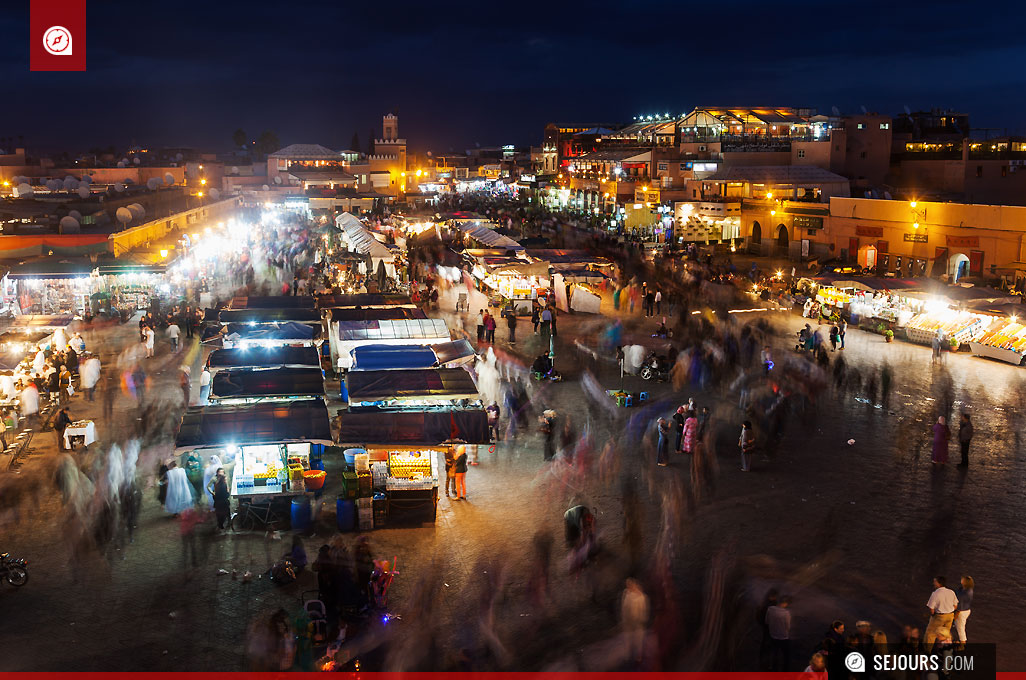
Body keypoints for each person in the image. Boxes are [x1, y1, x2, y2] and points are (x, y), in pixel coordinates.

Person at [620, 577, 650, 665]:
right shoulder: (626, 593)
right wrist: (624, 619)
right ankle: (629, 655)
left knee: (638, 639)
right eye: (627, 585)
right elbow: (624, 608)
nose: (628, 586)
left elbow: (644, 609)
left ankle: (638, 656)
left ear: (634, 585)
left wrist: (643, 619)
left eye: (630, 584)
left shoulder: (641, 596)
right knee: (628, 638)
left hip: (638, 621)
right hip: (628, 621)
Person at [925, 575, 959, 646]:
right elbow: (955, 606)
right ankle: (946, 648)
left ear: (938, 583)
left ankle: (927, 651)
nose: (933, 583)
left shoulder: (935, 593)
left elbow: (931, 608)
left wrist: (933, 615)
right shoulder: (951, 592)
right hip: (950, 616)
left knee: (931, 634)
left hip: (939, 616)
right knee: (945, 633)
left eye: (935, 582)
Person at [765, 595, 792, 671]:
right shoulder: (786, 613)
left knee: (775, 653)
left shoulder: (770, 609)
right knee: (786, 655)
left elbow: (766, 622)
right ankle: (785, 670)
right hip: (783, 637)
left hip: (773, 635)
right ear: (784, 603)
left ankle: (774, 668)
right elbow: (788, 627)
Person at [953, 575, 974, 646]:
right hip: (967, 610)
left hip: (962, 612)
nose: (961, 580)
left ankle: (962, 644)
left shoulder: (964, 593)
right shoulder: (968, 589)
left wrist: (955, 616)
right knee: (958, 625)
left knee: (960, 628)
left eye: (963, 579)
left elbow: (959, 607)